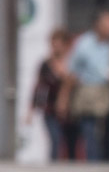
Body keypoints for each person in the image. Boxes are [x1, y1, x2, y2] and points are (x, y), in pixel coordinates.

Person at [64, 9, 109, 164]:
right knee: (89, 131)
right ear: (98, 25)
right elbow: (71, 72)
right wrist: (65, 98)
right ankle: (93, 162)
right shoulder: (84, 44)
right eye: (108, 23)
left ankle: (108, 161)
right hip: (89, 92)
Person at [28, 28, 75, 161]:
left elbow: (74, 83)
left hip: (70, 109)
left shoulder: (72, 63)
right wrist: (31, 109)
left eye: (58, 44)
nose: (55, 48)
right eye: (53, 44)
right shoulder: (45, 64)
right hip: (50, 108)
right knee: (56, 138)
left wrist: (64, 74)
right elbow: (38, 87)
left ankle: (71, 169)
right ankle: (54, 165)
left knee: (71, 140)